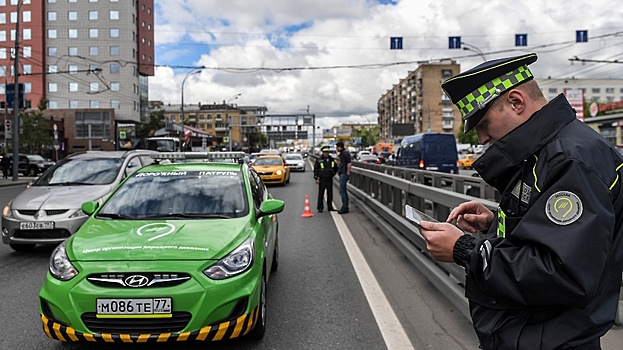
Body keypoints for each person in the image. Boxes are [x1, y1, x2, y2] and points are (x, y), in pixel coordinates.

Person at [418, 53, 623, 349]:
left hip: (551, 339)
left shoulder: (571, 159)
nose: (482, 137)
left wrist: (464, 250)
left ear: (516, 102)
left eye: (483, 122)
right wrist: (494, 222)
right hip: (534, 334)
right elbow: (550, 234)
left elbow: (561, 272)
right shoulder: (547, 151)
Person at [313, 146, 338, 212]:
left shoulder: (331, 159)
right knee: (321, 194)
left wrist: (332, 174)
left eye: (327, 152)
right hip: (322, 179)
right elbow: (316, 169)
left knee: (330, 194)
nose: (327, 153)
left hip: (329, 178)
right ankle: (320, 207)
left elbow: (335, 168)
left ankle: (330, 207)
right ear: (322, 152)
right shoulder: (319, 160)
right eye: (325, 152)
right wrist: (316, 178)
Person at [335, 141, 352, 214]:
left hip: (344, 173)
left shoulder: (345, 153)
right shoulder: (342, 153)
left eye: (337, 147)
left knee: (342, 190)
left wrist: (348, 172)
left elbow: (349, 163)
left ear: (339, 147)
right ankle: (344, 206)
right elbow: (343, 163)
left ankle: (345, 207)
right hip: (342, 172)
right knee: (342, 190)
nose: (336, 149)